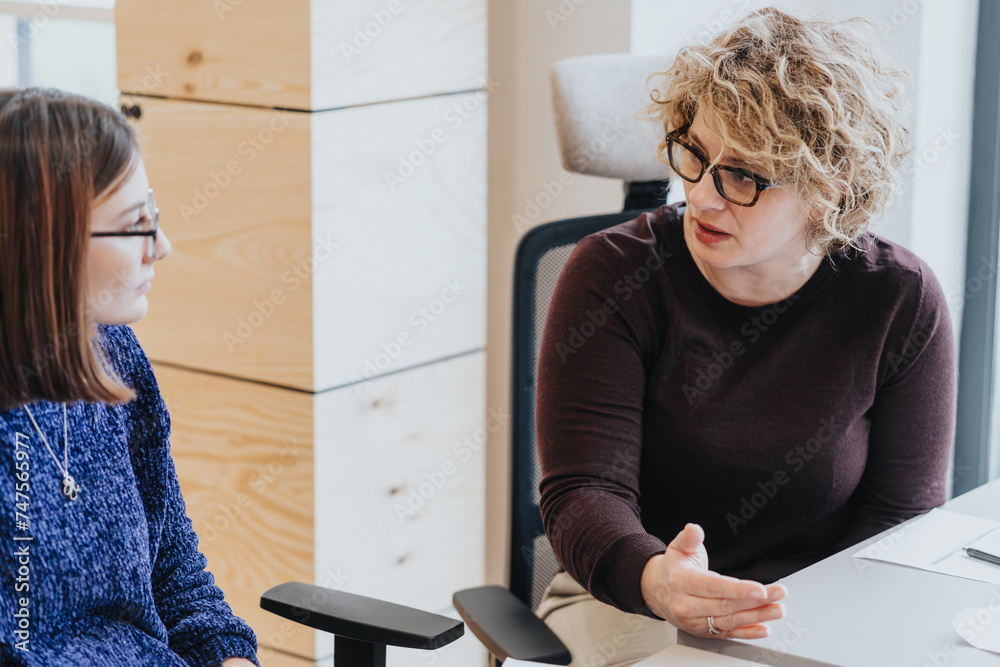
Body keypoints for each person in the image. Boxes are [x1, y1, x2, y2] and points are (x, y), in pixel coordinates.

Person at [534, 7, 956, 666]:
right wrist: (660, 581)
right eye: (695, 156)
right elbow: (583, 492)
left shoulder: (898, 298)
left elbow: (898, 521)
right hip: (627, 602)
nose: (702, 196)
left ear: (828, 188)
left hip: (812, 615)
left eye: (742, 176)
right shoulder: (612, 275)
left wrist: (807, 625)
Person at [0, 88, 260, 666]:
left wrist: (225, 655)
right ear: (43, 244)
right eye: (134, 225)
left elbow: (174, 567)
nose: (161, 247)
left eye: (155, 216)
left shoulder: (110, 351)